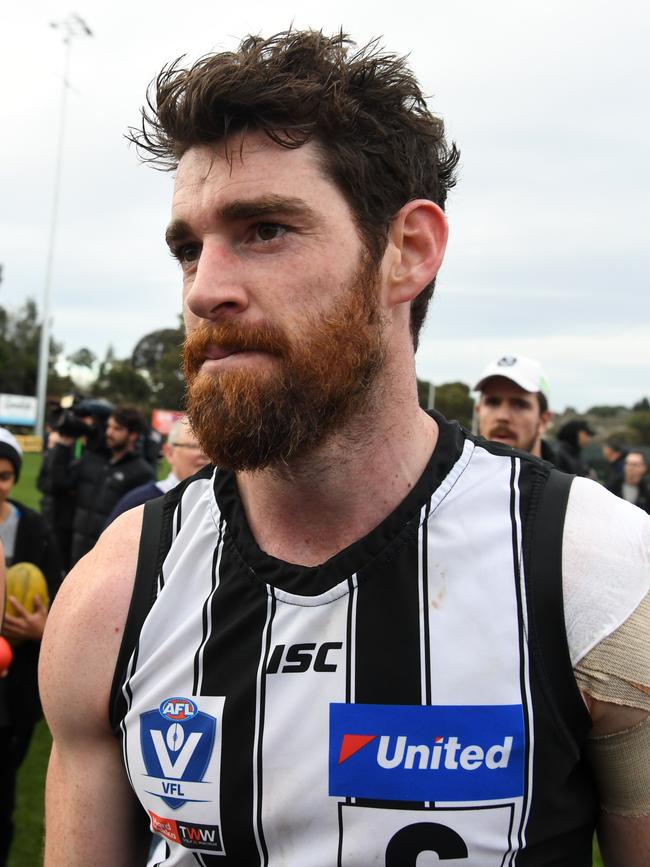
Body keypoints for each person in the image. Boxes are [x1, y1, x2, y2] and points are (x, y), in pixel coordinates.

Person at [41, 31, 650, 866]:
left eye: (264, 229)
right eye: (189, 247)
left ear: (407, 253)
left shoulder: (599, 577)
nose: (205, 287)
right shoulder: (116, 588)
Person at [0, 428, 61, 866]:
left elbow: (63, 601)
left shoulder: (34, 527)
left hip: (15, 685)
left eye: (3, 476)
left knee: (3, 787)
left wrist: (43, 628)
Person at [43, 405, 155, 565]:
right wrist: (63, 447)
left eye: (117, 429)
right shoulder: (92, 459)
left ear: (133, 435)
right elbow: (59, 484)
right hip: (74, 552)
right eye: (109, 426)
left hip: (108, 559)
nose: (109, 432)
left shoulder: (142, 473)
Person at [105, 417, 209, 524]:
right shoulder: (139, 502)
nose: (204, 455)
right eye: (194, 446)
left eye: (210, 448)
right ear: (169, 453)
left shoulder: (220, 505)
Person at [473, 353, 556, 461]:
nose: (502, 416)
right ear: (479, 411)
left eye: (519, 405)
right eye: (493, 402)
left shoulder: (573, 477)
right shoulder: (453, 476)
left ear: (543, 420)